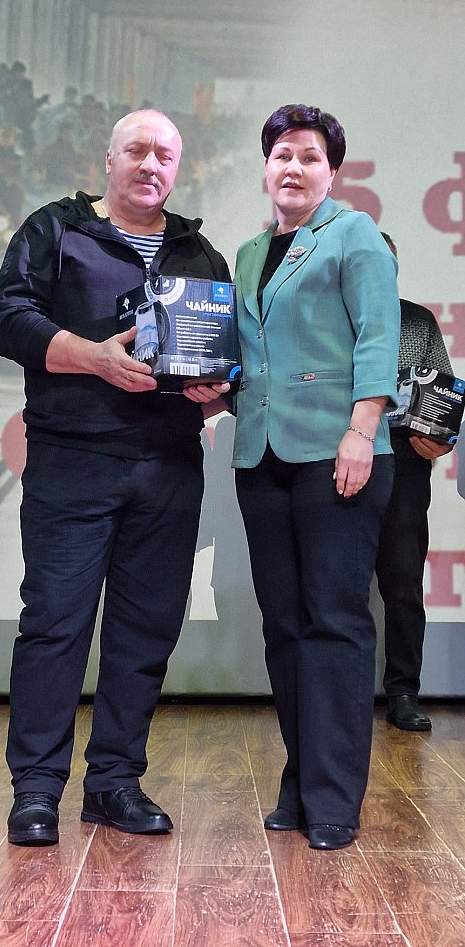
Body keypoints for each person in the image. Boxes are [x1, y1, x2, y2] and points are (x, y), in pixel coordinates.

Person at [0, 108, 231, 846]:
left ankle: (114, 784)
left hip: (168, 465)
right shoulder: (54, 230)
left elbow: (223, 358)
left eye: (165, 155)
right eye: (137, 150)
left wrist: (216, 390)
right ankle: (36, 792)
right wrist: (91, 356)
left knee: (145, 629)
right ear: (109, 159)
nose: (151, 165)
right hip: (73, 461)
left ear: (177, 170)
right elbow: (8, 322)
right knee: (54, 624)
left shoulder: (198, 252)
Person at [232, 103, 400, 851]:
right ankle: (301, 783)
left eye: (308, 157)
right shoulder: (248, 252)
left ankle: (334, 799)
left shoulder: (353, 233)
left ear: (332, 171)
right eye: (282, 155)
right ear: (265, 167)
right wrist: (214, 387)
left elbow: (378, 338)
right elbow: (252, 354)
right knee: (286, 628)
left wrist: (361, 433)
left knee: (334, 622)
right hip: (263, 456)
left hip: (340, 453)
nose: (293, 168)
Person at [376, 232, 454, 732]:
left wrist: (441, 438)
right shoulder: (325, 318)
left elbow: (443, 398)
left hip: (405, 463)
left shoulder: (418, 321)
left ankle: (404, 690)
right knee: (334, 585)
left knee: (403, 583)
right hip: (332, 458)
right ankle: (335, 692)